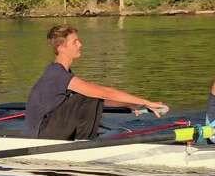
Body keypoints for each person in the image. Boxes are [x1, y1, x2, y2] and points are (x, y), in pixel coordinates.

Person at [24, 25, 169, 140]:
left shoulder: (64, 73)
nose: (80, 44)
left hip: (49, 130)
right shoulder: (56, 74)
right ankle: (83, 144)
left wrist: (131, 105)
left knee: (88, 96)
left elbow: (101, 101)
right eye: (75, 42)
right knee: (87, 95)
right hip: (41, 136)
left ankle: (83, 141)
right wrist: (146, 101)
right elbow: (104, 93)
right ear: (61, 48)